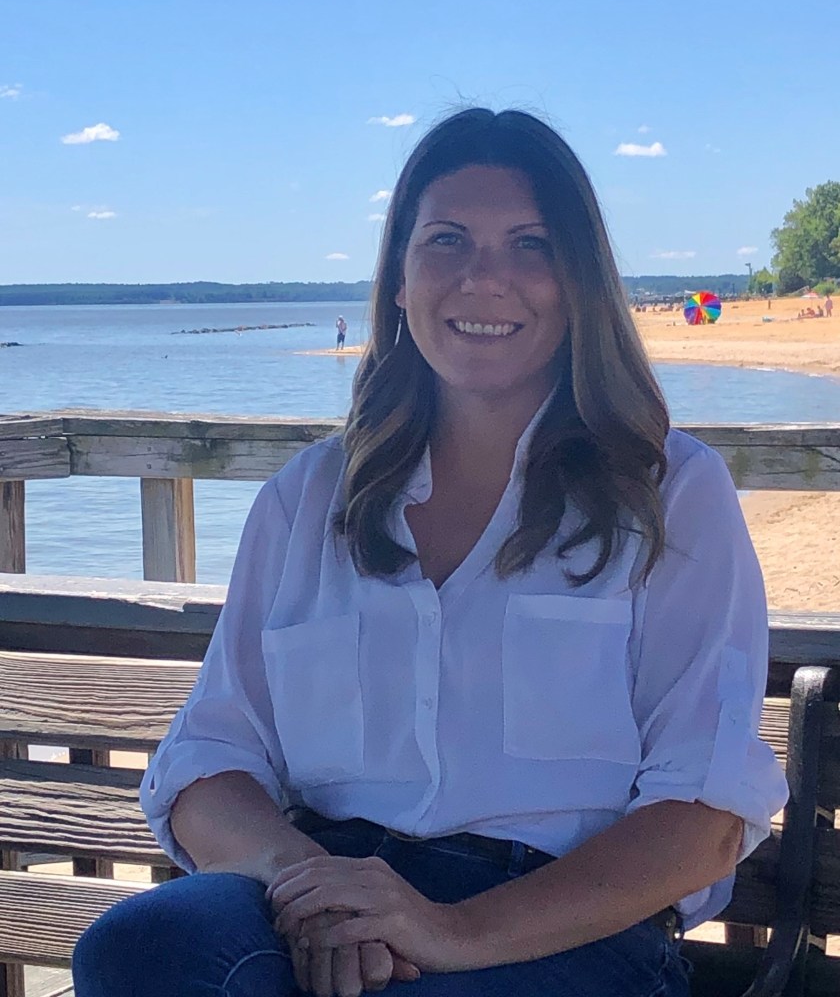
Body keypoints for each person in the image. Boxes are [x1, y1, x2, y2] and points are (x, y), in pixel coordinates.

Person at [73, 108, 787, 997]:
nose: (485, 279)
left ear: (581, 285)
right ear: (401, 281)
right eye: (447, 240)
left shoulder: (669, 494)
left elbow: (704, 816)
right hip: (326, 884)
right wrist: (319, 892)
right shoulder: (307, 500)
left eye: (530, 245)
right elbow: (207, 763)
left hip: (560, 926)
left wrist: (450, 931)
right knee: (141, 947)